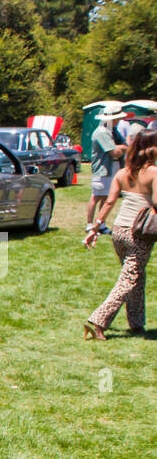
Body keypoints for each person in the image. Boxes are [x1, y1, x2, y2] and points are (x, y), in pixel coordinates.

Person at [83, 129, 157, 340]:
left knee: (136, 276)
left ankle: (136, 323)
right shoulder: (153, 172)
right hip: (140, 232)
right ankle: (98, 321)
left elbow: (108, 203)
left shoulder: (122, 173)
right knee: (129, 278)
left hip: (119, 231)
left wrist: (94, 230)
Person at [87, 108, 128, 234]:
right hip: (103, 169)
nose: (119, 121)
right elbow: (114, 152)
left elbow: (125, 147)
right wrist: (121, 148)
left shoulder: (113, 131)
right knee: (97, 196)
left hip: (112, 168)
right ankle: (89, 224)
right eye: (116, 119)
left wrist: (120, 148)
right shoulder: (101, 132)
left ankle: (101, 224)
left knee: (106, 197)